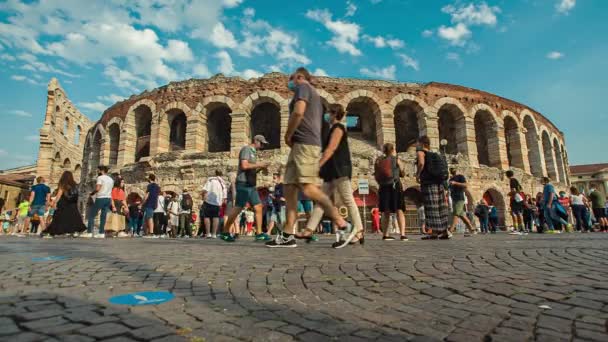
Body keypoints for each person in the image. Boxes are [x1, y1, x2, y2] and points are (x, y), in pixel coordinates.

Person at [266, 67, 354, 248]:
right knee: (289, 188)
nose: (289, 83)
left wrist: (287, 134)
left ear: (299, 77)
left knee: (308, 188)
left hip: (305, 144)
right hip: (300, 145)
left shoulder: (303, 87)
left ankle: (343, 224)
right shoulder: (310, 93)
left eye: (290, 79)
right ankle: (288, 234)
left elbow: (298, 111)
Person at [302, 103, 364, 247]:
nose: (326, 115)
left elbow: (330, 149)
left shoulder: (338, 128)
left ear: (335, 114)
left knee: (348, 200)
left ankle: (359, 231)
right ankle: (309, 230)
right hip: (331, 172)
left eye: (328, 112)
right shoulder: (331, 129)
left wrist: (318, 165)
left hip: (340, 170)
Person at [219, 135, 271, 242]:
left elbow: (250, 168)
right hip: (243, 183)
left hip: (251, 184)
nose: (262, 146)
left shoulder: (253, 152)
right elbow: (244, 166)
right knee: (238, 208)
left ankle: (259, 233)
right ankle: (225, 232)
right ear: (255, 141)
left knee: (258, 207)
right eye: (261, 144)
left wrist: (260, 168)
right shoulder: (246, 149)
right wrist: (259, 164)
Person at [416, 136, 450, 239]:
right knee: (441, 207)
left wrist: (418, 174)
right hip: (439, 183)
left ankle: (434, 233)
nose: (416, 145)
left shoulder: (421, 153)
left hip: (429, 183)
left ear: (422, 143)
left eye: (417, 143)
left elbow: (421, 163)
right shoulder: (435, 154)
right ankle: (444, 232)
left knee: (431, 207)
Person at [374, 143, 407, 241]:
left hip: (383, 187)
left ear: (384, 151)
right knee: (399, 209)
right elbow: (402, 173)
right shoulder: (396, 159)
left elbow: (376, 175)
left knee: (385, 211)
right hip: (395, 186)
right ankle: (402, 234)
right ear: (393, 149)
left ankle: (385, 234)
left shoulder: (379, 161)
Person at [45, 171, 86, 237]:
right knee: (73, 217)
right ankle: (73, 231)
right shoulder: (74, 184)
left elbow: (59, 194)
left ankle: (58, 231)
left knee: (59, 217)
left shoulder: (63, 183)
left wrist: (54, 202)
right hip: (72, 203)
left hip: (63, 202)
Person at [85, 165, 114, 238]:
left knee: (91, 215)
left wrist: (92, 193)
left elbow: (98, 188)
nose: (97, 171)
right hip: (108, 198)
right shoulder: (111, 179)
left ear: (102, 170)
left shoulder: (100, 178)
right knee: (103, 216)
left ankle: (89, 232)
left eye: (98, 170)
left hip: (101, 198)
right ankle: (101, 233)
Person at [448, 167, 476, 237]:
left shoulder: (460, 176)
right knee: (462, 215)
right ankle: (472, 229)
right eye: (451, 169)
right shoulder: (450, 179)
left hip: (460, 198)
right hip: (454, 198)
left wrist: (455, 183)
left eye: (453, 168)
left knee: (456, 214)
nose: (452, 170)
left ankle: (451, 231)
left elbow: (465, 185)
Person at [202, 171, 227, 239]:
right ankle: (214, 234)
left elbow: (205, 190)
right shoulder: (223, 183)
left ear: (215, 174)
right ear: (221, 175)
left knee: (207, 217)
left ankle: (208, 233)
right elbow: (225, 196)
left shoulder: (210, 180)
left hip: (208, 201)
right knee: (216, 217)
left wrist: (203, 198)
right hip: (217, 203)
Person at [506, 170, 525, 234]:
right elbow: (520, 189)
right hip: (519, 199)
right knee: (519, 213)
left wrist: (509, 194)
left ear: (507, 175)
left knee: (514, 214)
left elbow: (513, 190)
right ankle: (522, 228)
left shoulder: (512, 180)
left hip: (515, 199)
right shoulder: (516, 180)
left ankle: (516, 229)